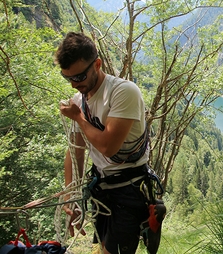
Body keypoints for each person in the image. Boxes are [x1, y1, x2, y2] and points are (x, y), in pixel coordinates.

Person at [55, 32, 152, 254]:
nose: (73, 85)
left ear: (97, 64)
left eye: (79, 77)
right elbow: (75, 151)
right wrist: (72, 197)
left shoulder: (123, 92)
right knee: (102, 246)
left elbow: (109, 147)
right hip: (101, 188)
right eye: (67, 78)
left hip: (129, 189)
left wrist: (78, 117)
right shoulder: (79, 100)